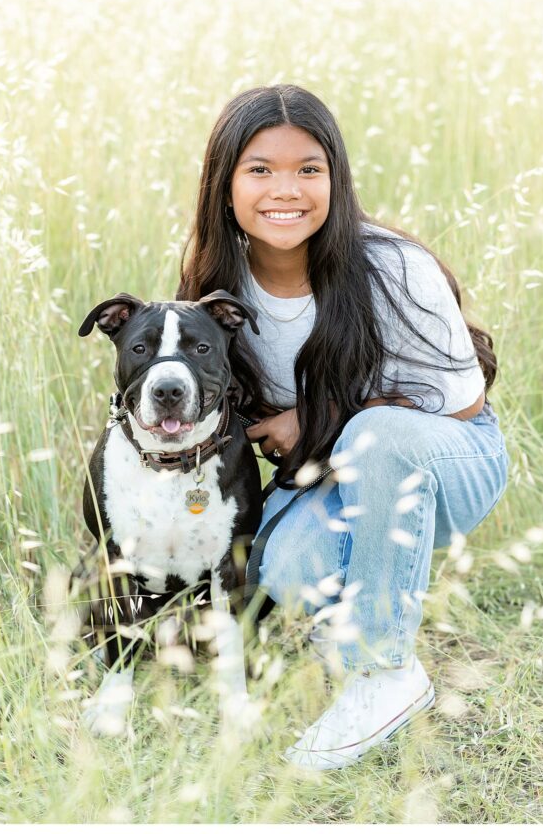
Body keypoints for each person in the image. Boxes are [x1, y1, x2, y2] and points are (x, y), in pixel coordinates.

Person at [176, 84, 509, 770]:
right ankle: (360, 607)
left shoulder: (392, 266)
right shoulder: (220, 285)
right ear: (226, 184)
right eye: (260, 169)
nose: (285, 190)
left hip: (451, 460)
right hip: (332, 470)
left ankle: (384, 670)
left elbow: (464, 409)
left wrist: (318, 418)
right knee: (286, 568)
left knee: (377, 436)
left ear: (335, 177)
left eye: (308, 169)